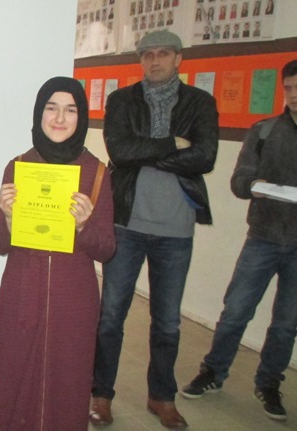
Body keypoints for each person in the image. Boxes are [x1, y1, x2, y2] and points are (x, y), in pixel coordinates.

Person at [88, 30, 219, 429]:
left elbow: (205, 157)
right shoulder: (121, 100)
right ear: (141, 60)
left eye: (163, 53)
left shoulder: (200, 102)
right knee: (111, 316)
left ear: (178, 58)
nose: (155, 60)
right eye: (148, 54)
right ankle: (100, 394)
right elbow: (119, 151)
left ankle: (161, 397)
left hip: (176, 230)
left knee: (167, 322)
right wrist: (173, 144)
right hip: (126, 222)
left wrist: (144, 151)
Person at [0, 77, 116, 430]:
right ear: (39, 113)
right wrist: (9, 219)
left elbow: (106, 250)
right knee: (17, 381)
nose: (60, 118)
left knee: (69, 385)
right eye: (51, 108)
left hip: (73, 299)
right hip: (20, 294)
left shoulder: (97, 173)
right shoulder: (18, 167)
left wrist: (84, 226)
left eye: (70, 110)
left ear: (81, 117)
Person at [180, 59, 297, 422]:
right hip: (263, 237)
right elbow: (239, 179)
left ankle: (269, 383)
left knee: (286, 322)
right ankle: (213, 372)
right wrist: (253, 185)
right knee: (236, 311)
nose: (294, 95)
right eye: (289, 88)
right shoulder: (264, 131)